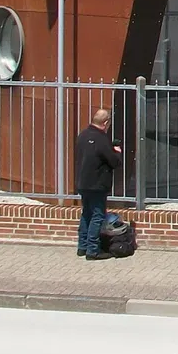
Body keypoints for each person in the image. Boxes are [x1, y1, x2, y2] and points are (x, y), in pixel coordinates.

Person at [74, 108, 123, 260]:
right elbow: (114, 162)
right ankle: (93, 250)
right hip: (97, 184)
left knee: (86, 213)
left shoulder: (82, 135)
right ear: (106, 123)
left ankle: (82, 246)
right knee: (97, 216)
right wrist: (116, 151)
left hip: (82, 182)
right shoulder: (101, 139)